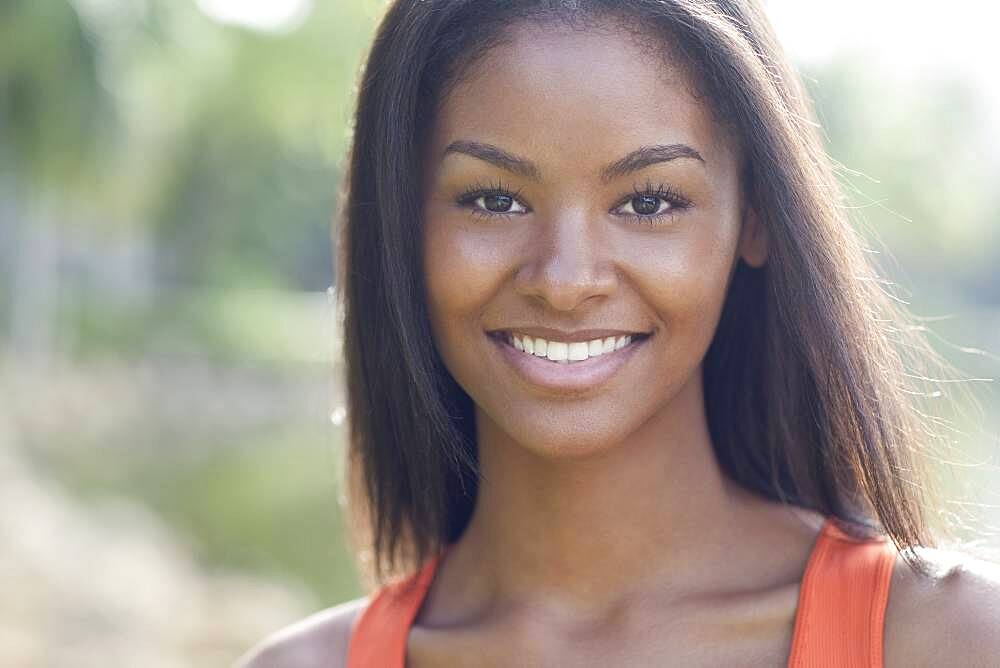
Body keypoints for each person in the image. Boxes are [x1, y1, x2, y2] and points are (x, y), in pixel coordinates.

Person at [237, 1, 1000, 665]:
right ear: (402, 221)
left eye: (649, 202)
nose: (566, 281)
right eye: (494, 200)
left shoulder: (950, 642)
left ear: (755, 217)